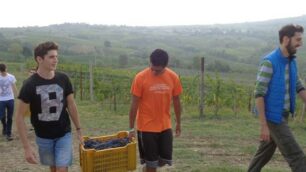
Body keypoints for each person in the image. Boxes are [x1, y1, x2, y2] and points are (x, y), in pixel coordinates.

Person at [16, 41, 83, 172]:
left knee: (61, 168)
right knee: (53, 168)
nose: (56, 60)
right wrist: (27, 148)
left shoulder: (63, 79)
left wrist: (79, 129)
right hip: (43, 136)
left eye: (56, 56)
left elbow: (71, 104)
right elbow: (19, 117)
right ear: (39, 59)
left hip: (64, 133)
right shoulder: (29, 85)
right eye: (51, 57)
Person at [248, 24, 306, 172]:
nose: (301, 43)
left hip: (283, 115)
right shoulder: (269, 62)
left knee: (264, 153)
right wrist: (263, 125)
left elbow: (298, 86)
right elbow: (259, 93)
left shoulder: (291, 61)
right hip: (273, 117)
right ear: (286, 39)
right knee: (296, 156)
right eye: (298, 40)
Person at [128, 49, 183, 172]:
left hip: (165, 125)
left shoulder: (173, 77)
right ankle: (148, 168)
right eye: (152, 68)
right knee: (152, 165)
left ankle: (146, 169)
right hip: (146, 127)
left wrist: (178, 122)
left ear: (165, 66)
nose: (153, 71)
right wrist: (131, 128)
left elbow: (177, 101)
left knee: (164, 160)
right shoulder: (140, 78)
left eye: (157, 70)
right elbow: (134, 105)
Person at [0, 63, 17, 141]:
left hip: (10, 99)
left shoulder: (11, 77)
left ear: (6, 69)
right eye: (2, 71)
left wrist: (17, 96)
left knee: (10, 117)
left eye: (4, 70)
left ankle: (8, 134)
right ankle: (4, 126)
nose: (4, 72)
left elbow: (14, 87)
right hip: (1, 99)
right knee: (2, 116)